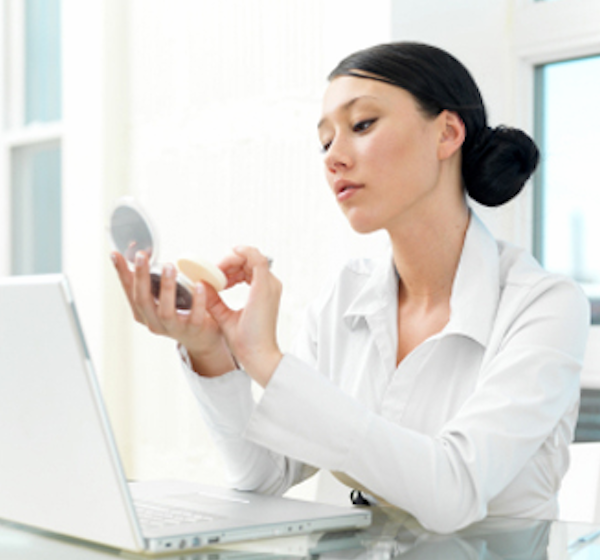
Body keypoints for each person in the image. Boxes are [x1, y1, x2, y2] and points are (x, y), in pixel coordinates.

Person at [112, 42, 590, 534]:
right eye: (324, 142)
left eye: (361, 125)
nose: (334, 158)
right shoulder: (345, 294)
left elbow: (454, 493)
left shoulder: (544, 305)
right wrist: (212, 350)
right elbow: (266, 474)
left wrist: (267, 362)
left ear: (447, 133)